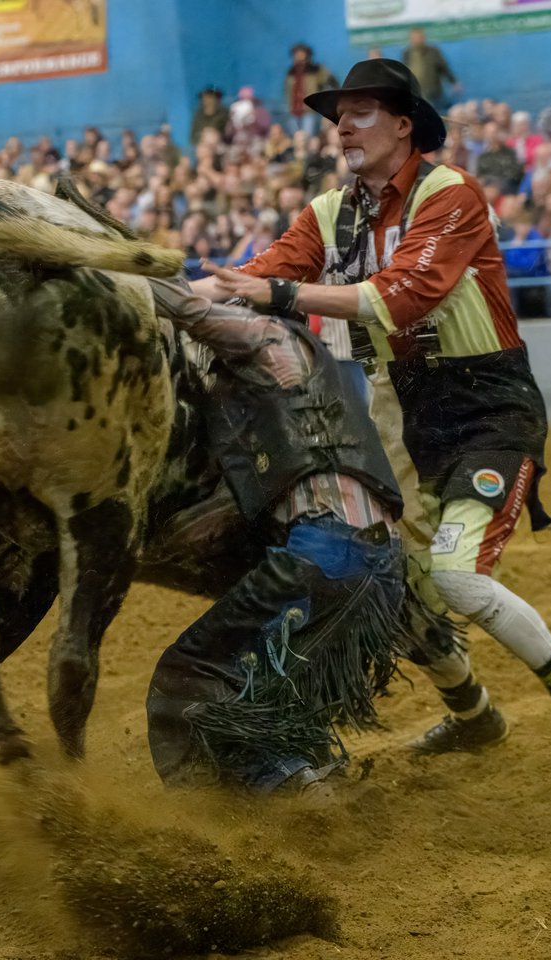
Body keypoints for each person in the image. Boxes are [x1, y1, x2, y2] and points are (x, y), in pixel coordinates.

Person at [189, 59, 551, 785]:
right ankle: (472, 712)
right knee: (393, 580)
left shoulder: (449, 194)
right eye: (338, 116)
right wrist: (156, 293)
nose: (342, 127)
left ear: (403, 124)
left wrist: (274, 291)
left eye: (360, 112)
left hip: (489, 409)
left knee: (454, 576)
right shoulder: (333, 211)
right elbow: (252, 278)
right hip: (400, 410)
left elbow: (400, 299)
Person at [144, 282, 406, 794]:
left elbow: (186, 307)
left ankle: (269, 795)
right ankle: (309, 782)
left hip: (326, 552)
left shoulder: (264, 334)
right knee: (281, 694)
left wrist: (110, 267)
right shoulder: (316, 377)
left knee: (194, 672)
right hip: (380, 564)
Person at [284, 43, 335, 138]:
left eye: (301, 55)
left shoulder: (315, 71)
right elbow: (288, 91)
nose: (299, 58)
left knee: (309, 136)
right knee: (295, 137)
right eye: (296, 55)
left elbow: (330, 82)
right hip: (294, 111)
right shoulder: (291, 73)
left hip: (309, 110)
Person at [400, 27, 459, 110]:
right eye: (415, 38)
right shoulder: (406, 53)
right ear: (411, 39)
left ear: (424, 38)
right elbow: (404, 72)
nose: (418, 40)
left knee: (436, 110)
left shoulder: (433, 51)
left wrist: (453, 82)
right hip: (416, 91)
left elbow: (443, 68)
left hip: (433, 90)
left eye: (420, 37)